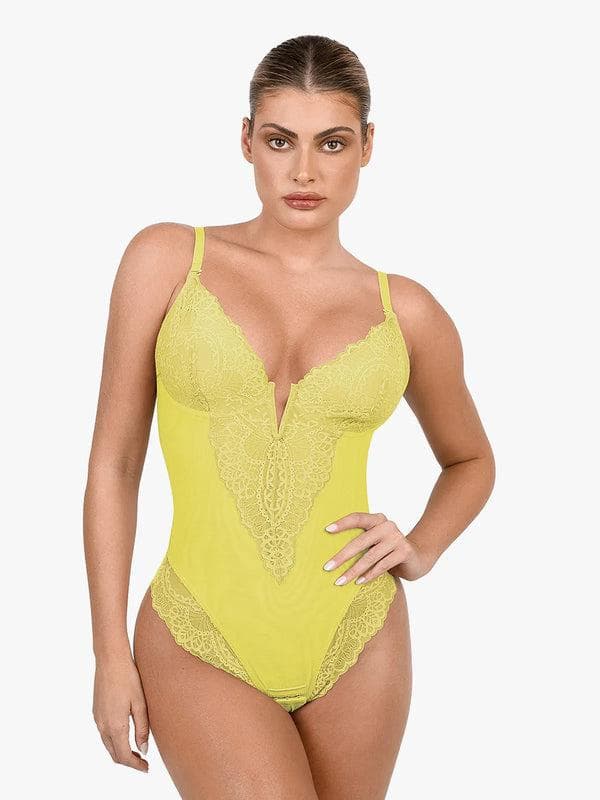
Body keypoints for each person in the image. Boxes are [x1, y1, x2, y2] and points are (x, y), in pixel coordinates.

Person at [83, 34, 495, 799]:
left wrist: (421, 547)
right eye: (281, 141)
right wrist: (109, 652)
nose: (304, 171)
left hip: (359, 636)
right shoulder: (167, 260)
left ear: (367, 146)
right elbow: (115, 463)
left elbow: (471, 460)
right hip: (198, 630)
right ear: (246, 140)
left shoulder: (406, 311)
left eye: (331, 143)